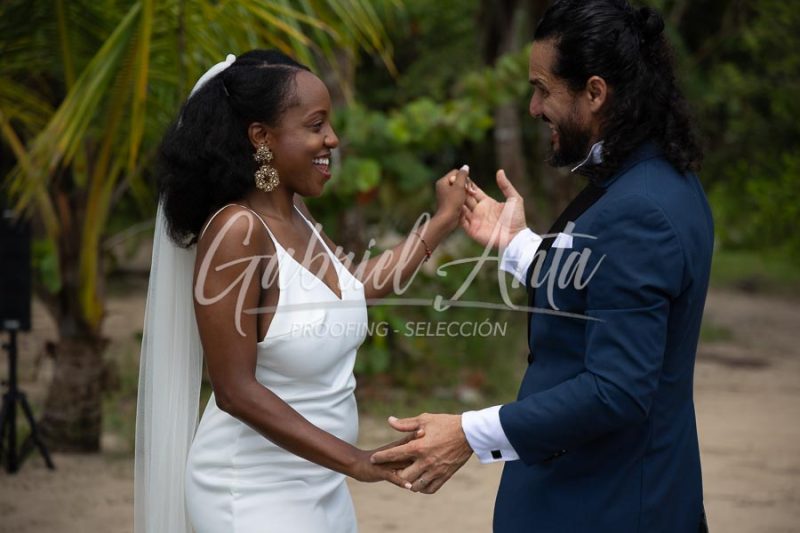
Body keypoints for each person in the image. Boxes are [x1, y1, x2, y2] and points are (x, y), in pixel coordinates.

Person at [372, 1, 712, 531]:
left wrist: (469, 433)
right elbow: (605, 284)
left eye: (543, 89)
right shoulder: (659, 181)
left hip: (607, 505)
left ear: (595, 92)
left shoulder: (638, 208)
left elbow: (616, 389)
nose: (533, 107)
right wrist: (516, 245)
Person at [133, 50, 468, 533]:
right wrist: (356, 460)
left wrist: (442, 221)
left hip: (322, 485)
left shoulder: (297, 218)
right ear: (261, 137)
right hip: (250, 492)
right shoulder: (236, 232)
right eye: (315, 125)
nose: (332, 138)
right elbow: (234, 390)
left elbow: (354, 289)